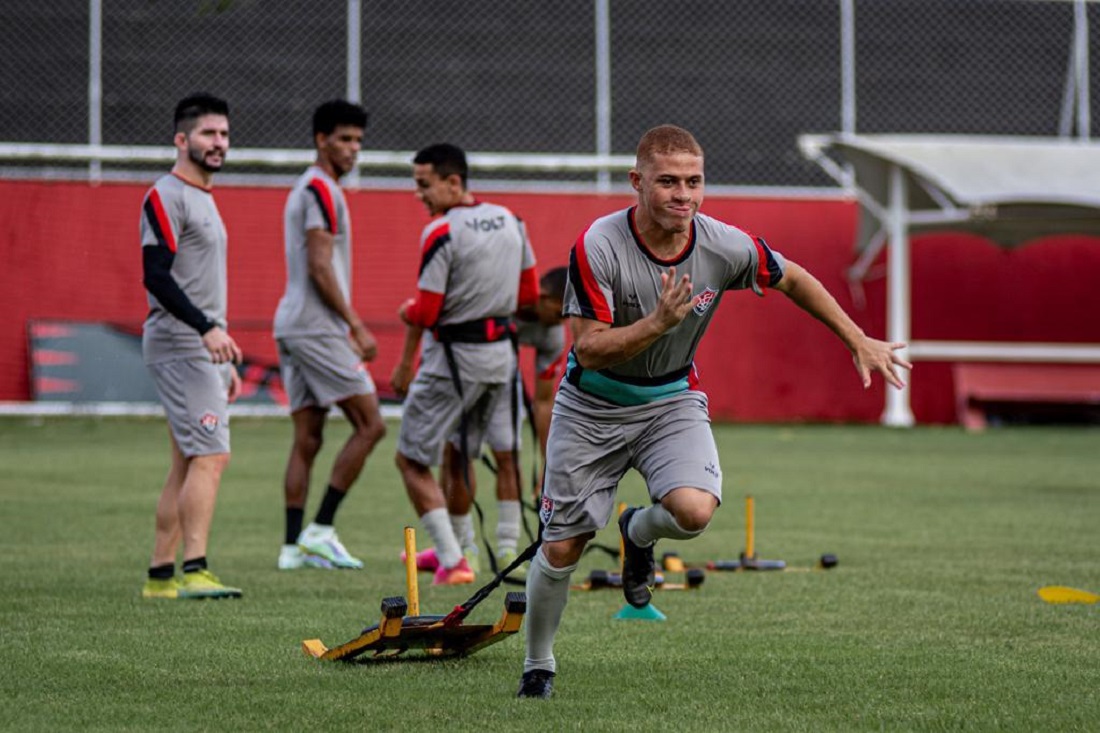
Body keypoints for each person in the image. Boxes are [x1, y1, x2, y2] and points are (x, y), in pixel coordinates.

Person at [516, 125, 911, 698]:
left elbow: (793, 278)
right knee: (561, 548)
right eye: (669, 182)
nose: (684, 195)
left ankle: (636, 530)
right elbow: (587, 348)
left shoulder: (724, 244)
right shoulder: (597, 246)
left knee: (694, 512)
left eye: (694, 182)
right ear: (637, 182)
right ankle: (539, 664)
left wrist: (855, 337)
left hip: (670, 400)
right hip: (593, 406)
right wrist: (657, 324)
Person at [391, 143, 539, 586]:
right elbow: (528, 298)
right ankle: (480, 548)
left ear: (453, 183)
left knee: (411, 460)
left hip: (455, 359)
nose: (419, 195)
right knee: (463, 456)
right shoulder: (513, 221)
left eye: (424, 185)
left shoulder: (441, 231)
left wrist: (408, 314)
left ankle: (455, 558)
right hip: (501, 360)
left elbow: (429, 310)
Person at [273, 100, 386, 570]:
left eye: (358, 141)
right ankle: (321, 530)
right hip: (316, 326)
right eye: (344, 139)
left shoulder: (306, 187)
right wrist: (355, 324)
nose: (353, 149)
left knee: (309, 437)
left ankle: (291, 548)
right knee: (372, 423)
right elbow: (320, 266)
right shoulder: (320, 189)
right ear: (321, 140)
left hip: (291, 322)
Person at [139, 93, 243, 600]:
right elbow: (155, 275)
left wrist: (218, 348)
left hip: (202, 347)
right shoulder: (166, 193)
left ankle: (160, 577)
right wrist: (205, 329)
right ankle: (196, 568)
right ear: (182, 140)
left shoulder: (204, 196)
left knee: (187, 460)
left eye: (223, 134)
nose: (219, 143)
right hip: (181, 342)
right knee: (212, 455)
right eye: (208, 133)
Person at [429, 266, 568, 579]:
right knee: (457, 456)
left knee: (509, 456)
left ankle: (508, 549)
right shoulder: (503, 295)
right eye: (559, 312)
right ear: (542, 298)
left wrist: (548, 461)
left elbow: (544, 401)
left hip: (504, 383)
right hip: (465, 371)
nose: (563, 322)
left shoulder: (553, 334)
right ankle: (463, 549)